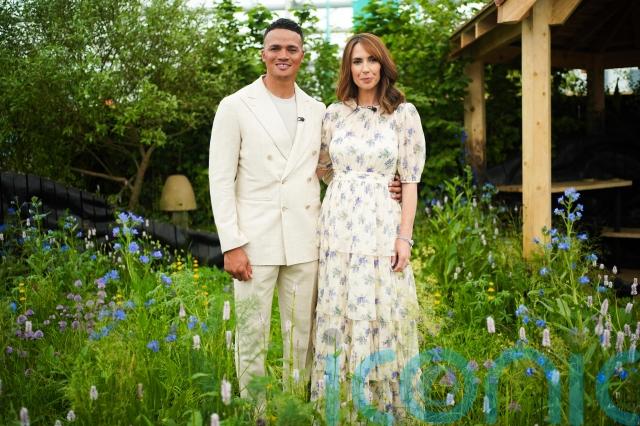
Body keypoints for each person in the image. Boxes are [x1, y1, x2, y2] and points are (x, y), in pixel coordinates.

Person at [209, 19, 402, 399]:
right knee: (251, 334)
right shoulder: (235, 106)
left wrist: (382, 184)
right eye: (275, 48)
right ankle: (253, 410)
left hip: (306, 239)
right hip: (253, 242)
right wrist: (231, 243)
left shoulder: (317, 110)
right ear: (263, 54)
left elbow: (330, 168)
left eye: (291, 49)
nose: (283, 55)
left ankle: (293, 405)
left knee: (302, 337)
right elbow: (220, 180)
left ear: (302, 55)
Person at [311, 33, 426, 419]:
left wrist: (404, 236)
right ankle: (342, 408)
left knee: (382, 306)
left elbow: (410, 180)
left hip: (382, 226)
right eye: (357, 61)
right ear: (348, 67)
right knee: (340, 306)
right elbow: (323, 168)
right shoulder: (333, 114)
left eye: (372, 60)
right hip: (339, 228)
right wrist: (351, 185)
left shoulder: (403, 115)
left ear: (383, 65)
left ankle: (386, 407)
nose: (365, 69)